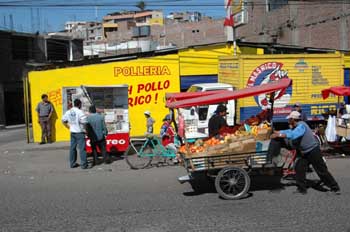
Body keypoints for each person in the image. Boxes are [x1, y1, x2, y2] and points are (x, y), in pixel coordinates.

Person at [269, 111, 340, 195]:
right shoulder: (296, 126)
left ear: (293, 119)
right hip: (305, 152)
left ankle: (335, 188)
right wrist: (278, 132)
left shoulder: (301, 126)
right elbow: (289, 131)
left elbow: (293, 134)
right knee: (299, 168)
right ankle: (302, 189)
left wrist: (279, 135)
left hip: (313, 151)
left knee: (321, 171)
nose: (288, 120)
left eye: (289, 119)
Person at [62, 99, 89, 169]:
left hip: (72, 132)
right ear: (79, 104)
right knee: (82, 149)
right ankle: (84, 165)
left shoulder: (68, 111)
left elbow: (63, 120)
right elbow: (84, 122)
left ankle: (72, 163)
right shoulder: (80, 112)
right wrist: (86, 131)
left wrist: (68, 127)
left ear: (74, 104)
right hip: (80, 132)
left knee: (72, 148)